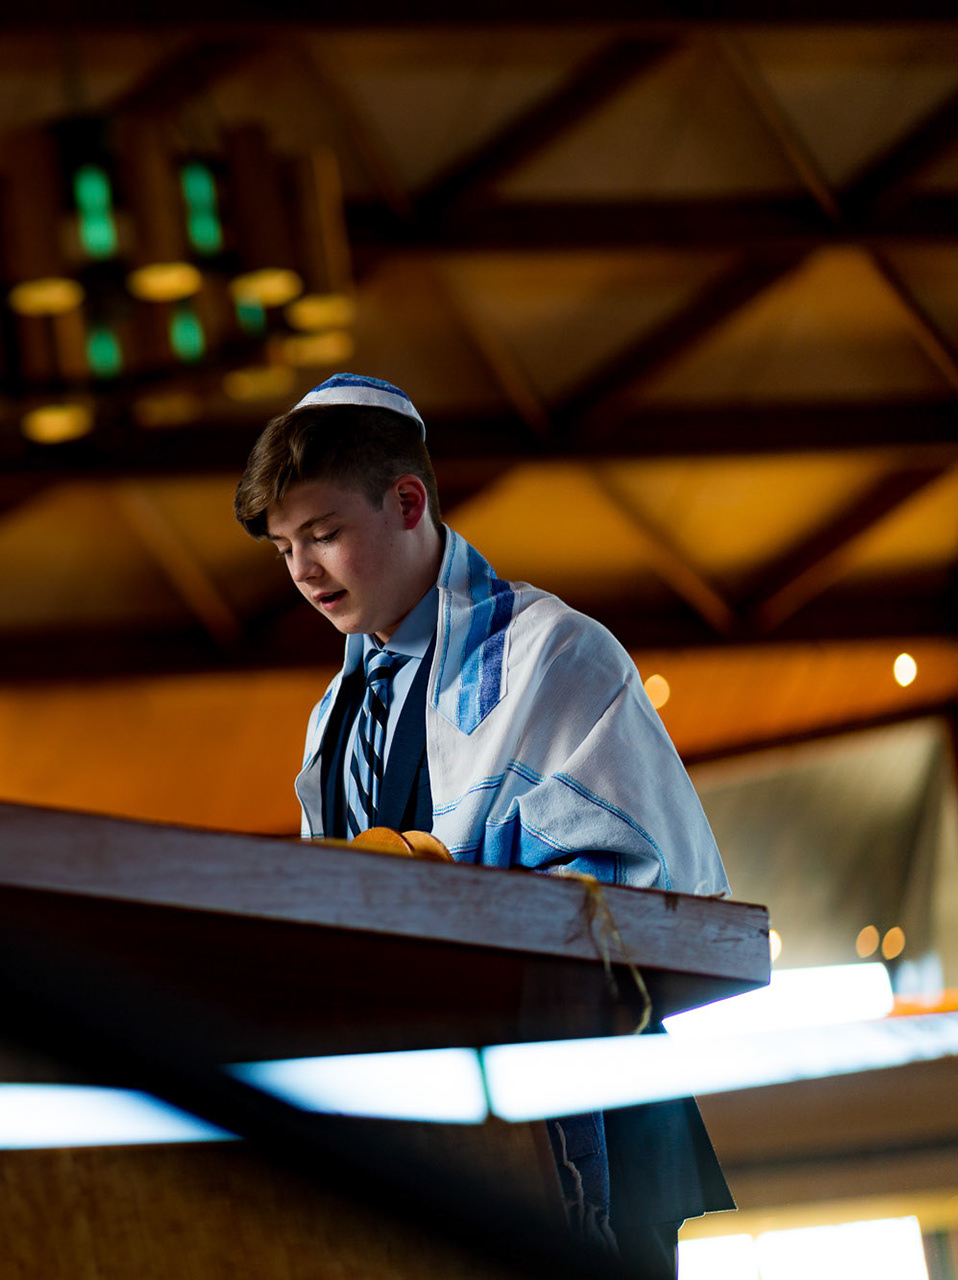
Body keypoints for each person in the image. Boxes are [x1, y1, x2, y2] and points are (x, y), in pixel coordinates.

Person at [233, 372, 734, 1277]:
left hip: (581, 1107)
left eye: (324, 534)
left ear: (408, 501)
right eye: (283, 548)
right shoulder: (331, 720)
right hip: (421, 1121)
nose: (303, 572)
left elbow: (655, 888)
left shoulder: (556, 654)